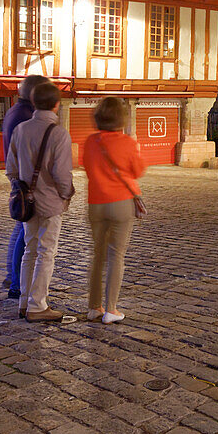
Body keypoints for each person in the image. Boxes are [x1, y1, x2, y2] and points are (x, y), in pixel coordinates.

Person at [5, 80, 74, 322]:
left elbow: (11, 169)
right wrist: (66, 195)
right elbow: (62, 174)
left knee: (30, 251)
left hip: (28, 203)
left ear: (33, 102)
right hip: (51, 202)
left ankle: (24, 302)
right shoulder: (59, 133)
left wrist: (22, 190)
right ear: (57, 104)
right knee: (47, 253)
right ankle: (38, 305)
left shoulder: (21, 129)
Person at [83, 97, 145, 324]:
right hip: (120, 202)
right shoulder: (127, 142)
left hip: (96, 202)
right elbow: (138, 171)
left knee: (97, 256)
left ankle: (93, 307)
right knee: (116, 255)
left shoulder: (91, 142)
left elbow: (87, 168)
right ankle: (111, 309)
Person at [3, 75, 49, 298]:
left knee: (20, 228)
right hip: (27, 182)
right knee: (26, 234)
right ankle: (17, 284)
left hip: (20, 179)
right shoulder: (25, 116)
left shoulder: (15, 111)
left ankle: (13, 276)